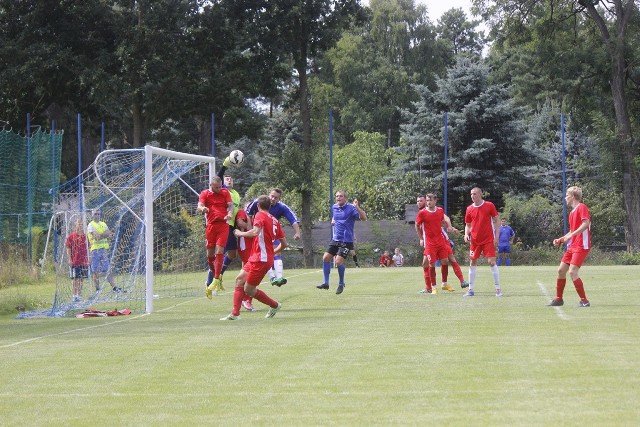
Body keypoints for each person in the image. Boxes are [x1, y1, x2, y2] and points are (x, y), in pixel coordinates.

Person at [220, 195, 286, 320]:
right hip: (257, 257)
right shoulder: (275, 220)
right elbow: (284, 244)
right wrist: (273, 252)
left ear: (258, 206)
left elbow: (254, 232)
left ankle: (275, 305)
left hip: (260, 259)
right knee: (239, 280)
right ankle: (235, 314)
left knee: (249, 290)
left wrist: (240, 233)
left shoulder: (259, 215)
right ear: (270, 206)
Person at [246, 188, 301, 287]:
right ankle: (272, 277)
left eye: (276, 198)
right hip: (259, 233)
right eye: (272, 196)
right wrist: (249, 228)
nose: (273, 199)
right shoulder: (258, 202)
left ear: (279, 199)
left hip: (271, 233)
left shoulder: (282, 207)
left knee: (276, 251)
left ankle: (279, 277)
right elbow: (248, 213)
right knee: (261, 256)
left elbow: (293, 219)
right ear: (268, 194)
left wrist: (297, 232)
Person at [547, 186, 591, 307]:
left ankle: (584, 301)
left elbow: (585, 224)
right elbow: (572, 230)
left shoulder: (581, 207)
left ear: (572, 196)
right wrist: (561, 239)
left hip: (582, 245)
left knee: (572, 272)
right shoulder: (572, 212)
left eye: (567, 195)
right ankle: (558, 299)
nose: (565, 197)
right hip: (573, 246)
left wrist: (571, 235)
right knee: (561, 271)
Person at [317, 190, 367, 294]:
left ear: (345, 198)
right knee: (326, 258)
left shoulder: (351, 208)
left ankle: (341, 284)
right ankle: (326, 283)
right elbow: (336, 216)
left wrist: (357, 207)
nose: (338, 198)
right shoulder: (334, 207)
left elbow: (364, 218)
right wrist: (333, 220)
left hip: (346, 240)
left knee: (338, 261)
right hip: (336, 239)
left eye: (341, 196)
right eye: (337, 196)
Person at [205, 155, 242, 290]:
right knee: (217, 254)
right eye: (226, 179)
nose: (229, 180)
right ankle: (210, 281)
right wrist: (225, 164)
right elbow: (219, 175)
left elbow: (236, 210)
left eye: (231, 179)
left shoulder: (236, 194)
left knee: (232, 254)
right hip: (222, 226)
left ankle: (218, 274)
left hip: (231, 227)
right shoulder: (222, 192)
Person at [198, 175, 234, 299]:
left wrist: (229, 213)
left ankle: (216, 278)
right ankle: (214, 280)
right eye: (217, 187)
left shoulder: (225, 192)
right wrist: (203, 209)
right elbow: (199, 206)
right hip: (211, 227)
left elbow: (230, 205)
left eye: (220, 187)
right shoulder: (205, 194)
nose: (219, 189)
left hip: (223, 226)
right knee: (210, 255)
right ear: (211, 186)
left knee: (220, 251)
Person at [415, 193, 458, 294]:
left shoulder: (437, 210)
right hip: (429, 242)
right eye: (417, 201)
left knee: (444, 260)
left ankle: (437, 286)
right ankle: (430, 287)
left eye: (421, 201)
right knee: (427, 263)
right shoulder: (421, 213)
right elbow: (418, 226)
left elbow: (444, 220)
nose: (419, 203)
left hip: (439, 240)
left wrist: (451, 227)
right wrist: (421, 238)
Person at [463, 187, 502, 297]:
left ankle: (498, 289)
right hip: (475, 241)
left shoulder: (489, 205)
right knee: (472, 262)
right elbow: (468, 224)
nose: (472, 196)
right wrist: (466, 234)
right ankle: (470, 290)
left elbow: (497, 220)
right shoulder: (469, 209)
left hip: (488, 239)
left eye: (474, 194)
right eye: (471, 194)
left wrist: (497, 236)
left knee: (491, 262)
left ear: (480, 194)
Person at [87, 210, 121, 293]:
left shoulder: (103, 224)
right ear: (92, 215)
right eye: (95, 214)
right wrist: (104, 234)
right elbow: (97, 237)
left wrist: (101, 235)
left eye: (98, 214)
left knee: (107, 269)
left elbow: (109, 234)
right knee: (96, 271)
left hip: (103, 250)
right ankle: (97, 289)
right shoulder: (91, 225)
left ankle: (114, 288)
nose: (97, 215)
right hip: (95, 251)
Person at [66, 219, 89, 302]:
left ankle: (79, 295)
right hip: (75, 261)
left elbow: (88, 248)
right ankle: (74, 295)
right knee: (75, 279)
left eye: (81, 224)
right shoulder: (71, 236)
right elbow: (68, 248)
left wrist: (88, 259)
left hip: (83, 261)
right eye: (79, 224)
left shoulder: (85, 237)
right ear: (76, 225)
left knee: (81, 279)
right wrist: (70, 259)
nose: (80, 226)